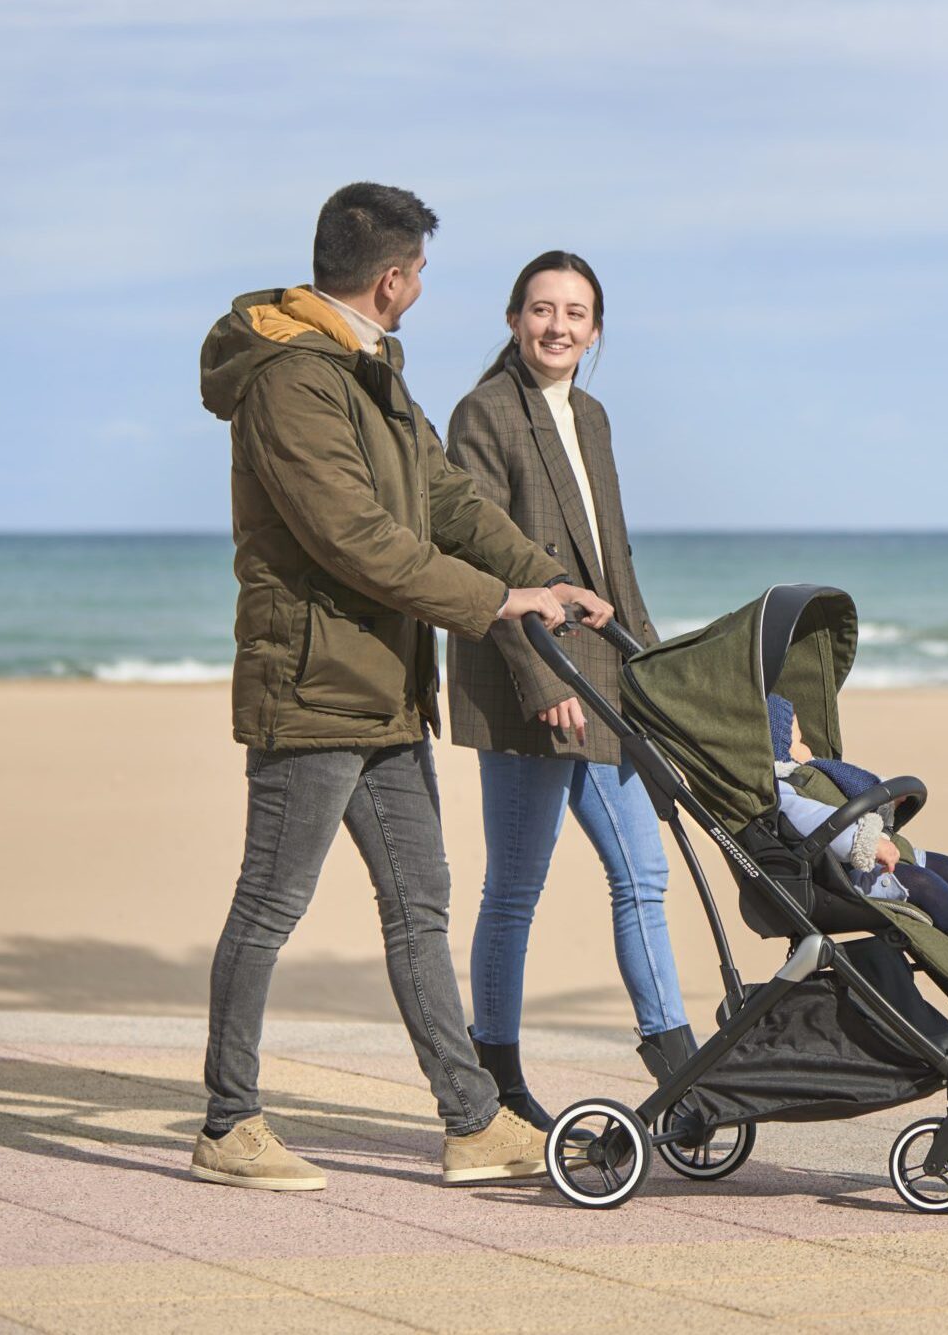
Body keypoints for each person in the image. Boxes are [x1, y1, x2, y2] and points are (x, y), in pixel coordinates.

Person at [194, 184, 614, 1191]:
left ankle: (472, 1121)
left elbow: (446, 498)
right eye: (418, 271)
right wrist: (499, 600)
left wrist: (550, 579)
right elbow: (356, 539)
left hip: (386, 686)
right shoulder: (294, 380)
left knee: (419, 902)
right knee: (270, 904)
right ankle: (226, 1124)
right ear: (394, 279)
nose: (421, 286)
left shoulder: (369, 369)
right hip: (312, 683)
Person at [444, 251, 695, 1125]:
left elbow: (612, 561)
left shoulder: (591, 416)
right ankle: (497, 1079)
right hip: (526, 678)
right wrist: (534, 675)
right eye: (542, 309)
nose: (558, 326)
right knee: (516, 887)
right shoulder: (483, 412)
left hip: (602, 678)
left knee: (644, 873)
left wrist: (656, 676)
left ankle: (682, 1070)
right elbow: (480, 557)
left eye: (576, 313)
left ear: (595, 331)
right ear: (514, 319)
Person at [767, 694, 948, 962]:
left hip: (869, 859)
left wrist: (884, 799)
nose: (804, 747)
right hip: (844, 878)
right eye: (797, 741)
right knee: (923, 883)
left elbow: (846, 789)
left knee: (946, 866)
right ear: (778, 745)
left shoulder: (810, 772)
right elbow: (815, 820)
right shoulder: (785, 790)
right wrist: (864, 842)